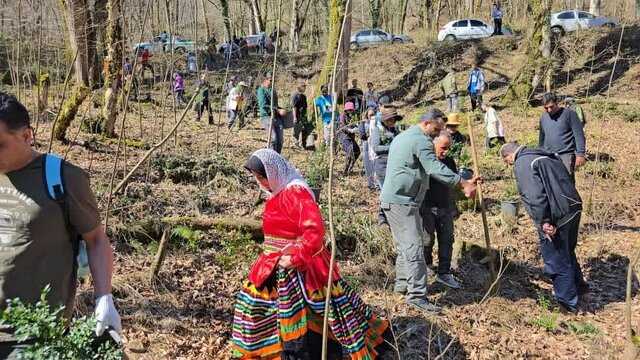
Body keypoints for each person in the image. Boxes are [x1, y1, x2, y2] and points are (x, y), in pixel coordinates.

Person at [231, 149, 390, 359]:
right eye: (257, 177)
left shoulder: (297, 192)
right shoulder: (275, 193)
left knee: (316, 315)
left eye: (262, 177)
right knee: (259, 312)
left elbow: (314, 231)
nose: (260, 182)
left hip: (300, 267)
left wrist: (295, 257)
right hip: (272, 264)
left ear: (274, 172)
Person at [0, 93, 121, 358]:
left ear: (26, 136)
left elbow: (96, 239)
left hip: (35, 332)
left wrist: (104, 298)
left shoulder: (62, 178)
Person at [381, 108, 478, 312]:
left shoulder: (403, 136)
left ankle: (401, 286)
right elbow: (433, 168)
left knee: (404, 246)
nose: (438, 132)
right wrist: (463, 183)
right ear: (427, 123)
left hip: (396, 200)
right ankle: (416, 295)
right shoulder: (421, 140)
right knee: (415, 247)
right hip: (402, 201)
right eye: (437, 128)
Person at [500, 142, 587, 313]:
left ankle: (567, 304)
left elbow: (534, 196)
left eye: (507, 162)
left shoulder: (523, 164)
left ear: (508, 156)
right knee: (567, 251)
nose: (508, 165)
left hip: (557, 214)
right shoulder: (545, 154)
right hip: (573, 206)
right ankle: (580, 290)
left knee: (556, 258)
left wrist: (545, 221)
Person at [421, 132, 461, 289]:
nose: (445, 152)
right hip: (426, 206)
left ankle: (444, 272)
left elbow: (453, 183)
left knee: (447, 240)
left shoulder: (449, 161)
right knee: (427, 239)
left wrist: (454, 206)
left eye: (448, 148)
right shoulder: (425, 161)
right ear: (433, 144)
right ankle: (427, 266)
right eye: (443, 148)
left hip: (445, 207)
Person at [538, 92, 586, 182]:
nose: (549, 110)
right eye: (546, 108)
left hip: (566, 155)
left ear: (557, 103)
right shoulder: (543, 118)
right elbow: (542, 137)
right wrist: (540, 152)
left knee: (566, 183)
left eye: (551, 107)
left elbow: (579, 135)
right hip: (549, 155)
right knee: (552, 182)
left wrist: (580, 154)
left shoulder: (570, 114)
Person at [369, 108, 401, 224]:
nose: (392, 122)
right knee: (385, 191)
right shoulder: (378, 130)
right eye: (390, 119)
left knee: (394, 191)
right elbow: (376, 148)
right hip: (382, 164)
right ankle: (382, 217)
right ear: (385, 120)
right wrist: (393, 147)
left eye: (394, 119)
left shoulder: (396, 131)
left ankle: (392, 215)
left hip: (394, 164)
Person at [256, 75, 284, 153]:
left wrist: (281, 109)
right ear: (265, 80)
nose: (272, 82)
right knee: (273, 139)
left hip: (276, 117)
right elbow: (263, 105)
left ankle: (277, 157)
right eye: (270, 80)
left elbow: (275, 105)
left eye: (273, 81)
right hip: (267, 117)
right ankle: (271, 157)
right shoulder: (261, 90)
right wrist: (277, 110)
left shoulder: (272, 90)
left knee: (280, 140)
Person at [338, 102, 361, 176]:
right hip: (344, 137)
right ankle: (345, 171)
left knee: (357, 151)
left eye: (351, 110)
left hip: (351, 137)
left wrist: (357, 127)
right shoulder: (342, 116)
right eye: (349, 110)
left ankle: (350, 168)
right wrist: (349, 130)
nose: (351, 111)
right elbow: (342, 126)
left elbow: (353, 124)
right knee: (350, 151)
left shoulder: (351, 116)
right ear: (346, 110)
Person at [291, 83, 313, 149]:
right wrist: (295, 117)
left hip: (303, 116)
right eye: (304, 87)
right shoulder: (295, 95)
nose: (305, 88)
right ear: (300, 87)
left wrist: (306, 116)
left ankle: (303, 144)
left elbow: (305, 107)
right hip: (297, 115)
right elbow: (294, 107)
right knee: (296, 131)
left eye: (305, 87)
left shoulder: (304, 96)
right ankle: (295, 144)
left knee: (304, 130)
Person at [359, 109, 376, 190]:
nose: (372, 116)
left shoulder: (376, 122)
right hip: (366, 144)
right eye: (370, 115)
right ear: (367, 116)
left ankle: (375, 183)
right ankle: (370, 183)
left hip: (374, 144)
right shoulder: (363, 123)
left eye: (373, 114)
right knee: (367, 164)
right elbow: (362, 135)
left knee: (374, 163)